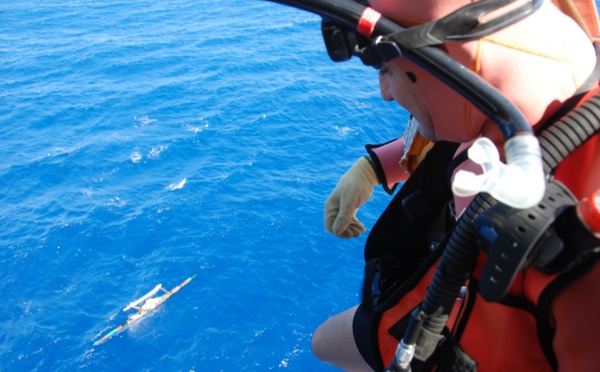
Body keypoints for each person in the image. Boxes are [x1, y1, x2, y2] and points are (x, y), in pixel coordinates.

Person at [309, 0, 600, 371]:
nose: (384, 91)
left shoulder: (581, 254)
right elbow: (465, 118)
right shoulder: (552, 79)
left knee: (324, 342)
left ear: (454, 55)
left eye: (384, 67)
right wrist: (373, 169)